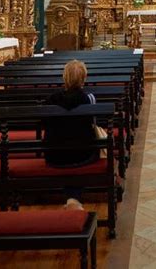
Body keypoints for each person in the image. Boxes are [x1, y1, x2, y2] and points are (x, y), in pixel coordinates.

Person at [43, 60, 98, 209]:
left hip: (54, 155)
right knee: (79, 150)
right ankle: (74, 197)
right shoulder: (89, 99)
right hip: (83, 154)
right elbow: (93, 123)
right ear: (83, 78)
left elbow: (44, 124)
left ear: (64, 78)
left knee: (66, 148)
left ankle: (72, 197)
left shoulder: (50, 100)